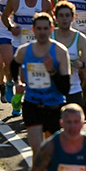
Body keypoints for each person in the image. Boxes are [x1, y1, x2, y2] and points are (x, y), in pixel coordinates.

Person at [15, 11, 72, 155]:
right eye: (39, 29)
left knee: (52, 152)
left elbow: (65, 88)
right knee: (38, 150)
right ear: (33, 29)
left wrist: (52, 70)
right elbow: (13, 65)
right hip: (32, 104)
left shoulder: (60, 51)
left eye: (46, 29)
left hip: (54, 105)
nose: (42, 32)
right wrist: (16, 83)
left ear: (51, 29)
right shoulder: (24, 50)